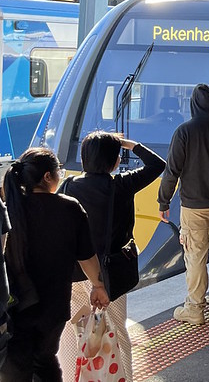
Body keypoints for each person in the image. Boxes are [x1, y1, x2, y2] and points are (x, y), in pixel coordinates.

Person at [57, 133, 165, 380]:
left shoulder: (68, 187)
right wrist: (130, 144)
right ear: (115, 161)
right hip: (108, 275)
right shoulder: (121, 185)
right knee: (115, 329)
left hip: (74, 272)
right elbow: (158, 165)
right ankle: (122, 375)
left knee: (71, 330)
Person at [1, 148, 110, 381]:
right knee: (46, 360)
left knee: (14, 366)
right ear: (48, 177)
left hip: (15, 305)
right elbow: (87, 257)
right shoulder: (70, 207)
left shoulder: (10, 207)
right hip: (53, 307)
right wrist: (98, 287)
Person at [158, 84, 209, 324]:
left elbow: (171, 171)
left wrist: (163, 201)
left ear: (193, 105)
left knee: (195, 254)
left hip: (194, 206)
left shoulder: (185, 131)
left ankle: (195, 307)